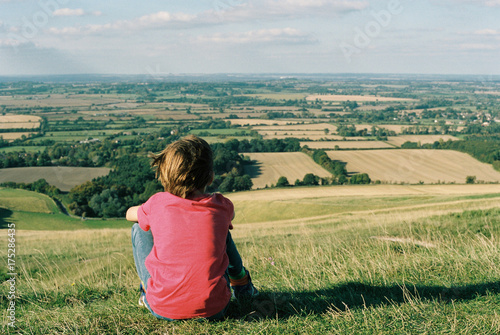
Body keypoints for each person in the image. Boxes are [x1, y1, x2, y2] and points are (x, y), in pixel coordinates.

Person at [126, 135, 258, 321]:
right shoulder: (220, 205)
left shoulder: (157, 203)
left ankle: (146, 292)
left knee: (139, 228)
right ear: (210, 176)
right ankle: (242, 285)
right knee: (222, 230)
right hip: (215, 309)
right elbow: (231, 216)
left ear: (165, 174)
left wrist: (148, 213)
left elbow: (128, 214)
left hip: (163, 309)